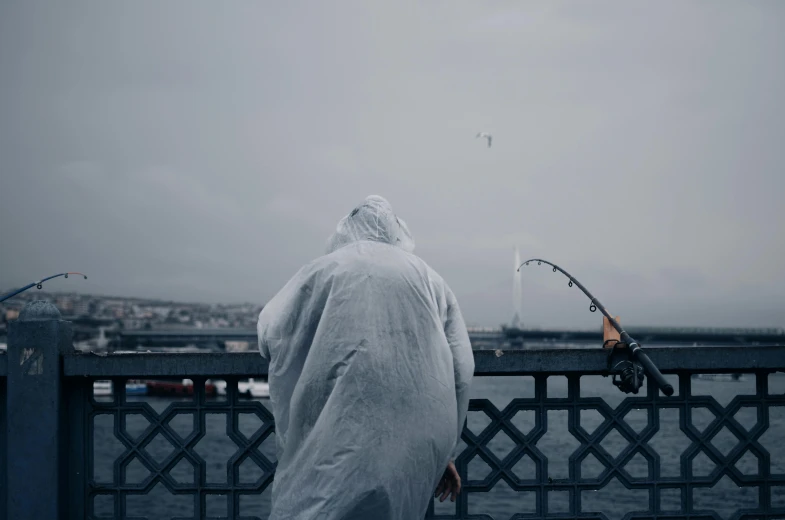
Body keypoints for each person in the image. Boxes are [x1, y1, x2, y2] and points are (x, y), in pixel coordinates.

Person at [257, 195, 475, 520]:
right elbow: (461, 369)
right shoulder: (431, 280)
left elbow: (271, 329)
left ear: (346, 230)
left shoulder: (321, 271)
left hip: (329, 442)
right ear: (396, 232)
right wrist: (445, 451)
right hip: (405, 453)